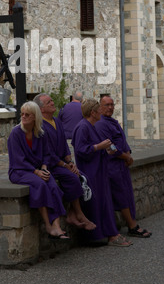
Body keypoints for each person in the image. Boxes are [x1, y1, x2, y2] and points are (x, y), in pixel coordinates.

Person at [72, 99, 132, 246]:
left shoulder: (91, 126)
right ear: (93, 112)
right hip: (91, 172)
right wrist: (99, 146)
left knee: (105, 203)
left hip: (99, 170)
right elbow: (80, 150)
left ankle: (111, 234)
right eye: (99, 110)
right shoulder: (83, 127)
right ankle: (99, 236)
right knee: (97, 204)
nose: (101, 113)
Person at [33, 93, 96, 232]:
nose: (52, 103)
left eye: (51, 100)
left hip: (62, 162)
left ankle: (74, 213)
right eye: (49, 102)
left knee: (83, 176)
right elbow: (48, 152)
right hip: (51, 165)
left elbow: (64, 146)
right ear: (41, 109)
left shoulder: (56, 121)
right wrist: (65, 166)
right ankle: (79, 215)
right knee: (72, 177)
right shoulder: (40, 126)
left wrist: (70, 161)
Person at [7, 101, 69, 240]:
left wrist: (44, 168)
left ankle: (57, 226)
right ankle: (48, 225)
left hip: (37, 170)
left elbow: (47, 154)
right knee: (40, 184)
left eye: (27, 114)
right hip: (20, 171)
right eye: (22, 114)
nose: (23, 117)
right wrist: (36, 172)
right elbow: (18, 160)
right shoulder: (15, 134)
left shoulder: (40, 133)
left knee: (52, 185)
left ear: (35, 117)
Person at [96, 95, 151, 238]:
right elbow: (110, 146)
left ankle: (132, 223)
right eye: (106, 105)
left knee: (126, 194)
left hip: (121, 164)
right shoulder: (101, 123)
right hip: (112, 166)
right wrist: (125, 156)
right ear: (100, 107)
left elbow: (121, 139)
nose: (110, 107)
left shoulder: (112, 122)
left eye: (112, 105)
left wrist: (128, 153)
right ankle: (132, 226)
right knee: (121, 196)